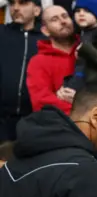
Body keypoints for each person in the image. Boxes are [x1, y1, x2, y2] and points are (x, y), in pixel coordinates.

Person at [0, 0, 45, 141]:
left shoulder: (46, 42)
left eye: (23, 3)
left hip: (32, 122)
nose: (16, 8)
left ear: (37, 10)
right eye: (12, 3)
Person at [26, 4, 78, 114]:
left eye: (65, 16)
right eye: (55, 19)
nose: (63, 21)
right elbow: (41, 101)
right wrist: (81, 109)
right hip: (59, 126)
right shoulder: (38, 62)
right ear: (45, 31)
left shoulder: (87, 50)